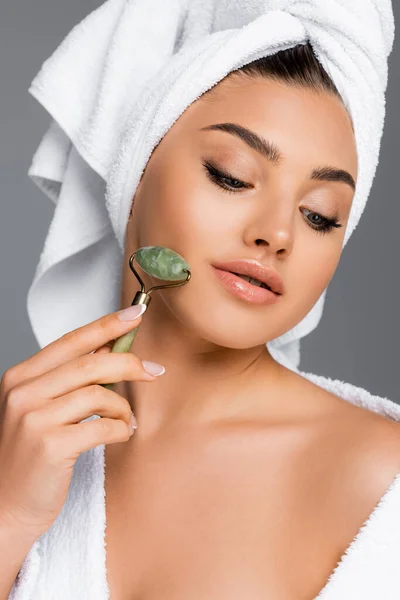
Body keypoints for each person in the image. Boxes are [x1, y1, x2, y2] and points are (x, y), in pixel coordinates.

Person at [1, 22, 399, 600]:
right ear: (135, 172)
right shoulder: (27, 450)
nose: (277, 234)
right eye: (232, 176)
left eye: (320, 214)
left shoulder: (379, 478)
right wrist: (8, 518)